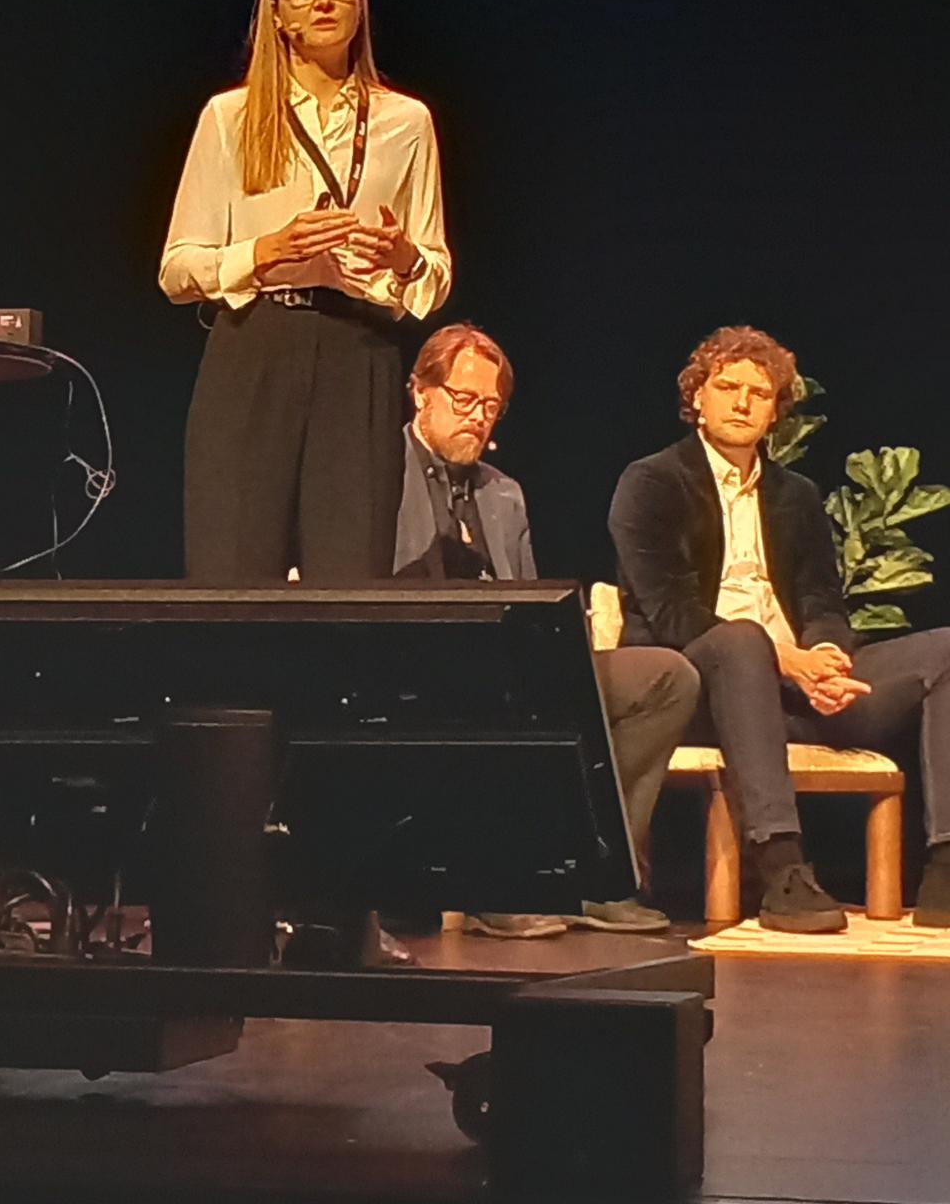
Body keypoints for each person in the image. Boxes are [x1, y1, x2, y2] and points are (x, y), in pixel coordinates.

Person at [609, 324, 950, 933]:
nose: (742, 402)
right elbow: (673, 614)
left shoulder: (797, 495)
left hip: (798, 691)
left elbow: (822, 599)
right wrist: (785, 659)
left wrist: (826, 657)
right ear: (697, 398)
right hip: (705, 686)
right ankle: (782, 869)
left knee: (945, 650)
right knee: (742, 639)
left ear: (775, 412)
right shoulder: (652, 482)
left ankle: (944, 868)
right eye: (727, 387)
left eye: (759, 394)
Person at [159, 0, 451, 582]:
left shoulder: (406, 122)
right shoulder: (231, 117)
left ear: (359, 2)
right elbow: (176, 269)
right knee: (232, 574)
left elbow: (434, 275)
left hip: (359, 350)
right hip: (255, 346)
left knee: (350, 582)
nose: (324, 0)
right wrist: (264, 251)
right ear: (278, 13)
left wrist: (403, 257)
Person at [396, 322, 701, 933]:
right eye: (464, 399)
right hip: (417, 663)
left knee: (668, 678)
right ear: (420, 392)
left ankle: (592, 876)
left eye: (491, 407)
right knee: (479, 689)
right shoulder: (377, 474)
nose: (478, 417)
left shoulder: (503, 494)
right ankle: (497, 881)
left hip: (510, 662)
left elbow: (530, 595)